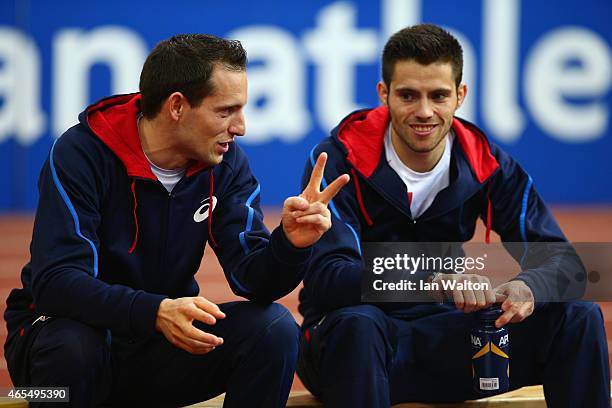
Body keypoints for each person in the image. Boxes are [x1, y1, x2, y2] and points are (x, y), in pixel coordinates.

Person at [3, 34, 349, 407]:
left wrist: (290, 244)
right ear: (177, 107)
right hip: (56, 354)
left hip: (156, 346)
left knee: (274, 329)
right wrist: (153, 311)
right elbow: (56, 283)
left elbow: (253, 279)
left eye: (242, 110)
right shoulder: (81, 153)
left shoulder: (226, 162)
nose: (241, 127)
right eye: (225, 111)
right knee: (73, 348)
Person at [296, 24, 610, 408]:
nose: (424, 111)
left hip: (446, 343)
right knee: (360, 324)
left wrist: (528, 287)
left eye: (439, 95)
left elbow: (565, 265)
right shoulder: (338, 159)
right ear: (384, 95)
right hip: (351, 347)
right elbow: (329, 278)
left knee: (577, 315)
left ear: (460, 95)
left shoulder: (487, 164)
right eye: (408, 95)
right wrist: (433, 279)